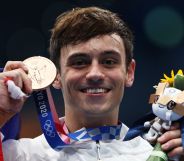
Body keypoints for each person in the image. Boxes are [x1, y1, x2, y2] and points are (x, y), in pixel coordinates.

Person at [0, 7, 183, 161]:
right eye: (79, 62)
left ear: (129, 72)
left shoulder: (156, 155)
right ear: (56, 75)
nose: (95, 74)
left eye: (109, 61)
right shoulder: (19, 155)